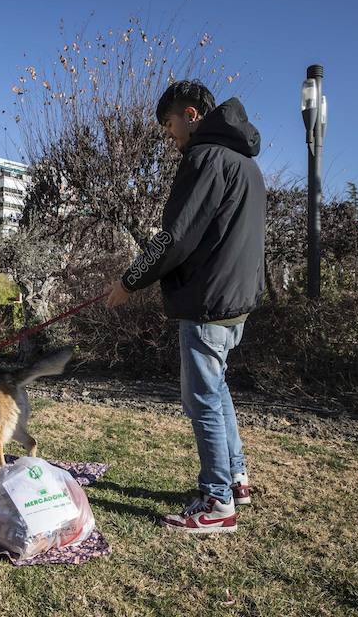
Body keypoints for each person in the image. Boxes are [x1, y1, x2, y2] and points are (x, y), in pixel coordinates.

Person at [106, 80, 265, 533]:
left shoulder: (205, 158)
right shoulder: (245, 164)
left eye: (169, 124)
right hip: (236, 301)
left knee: (203, 401)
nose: (168, 135)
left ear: (190, 115)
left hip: (208, 301)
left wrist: (129, 281)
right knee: (217, 391)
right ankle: (235, 479)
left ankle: (217, 503)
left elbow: (174, 237)